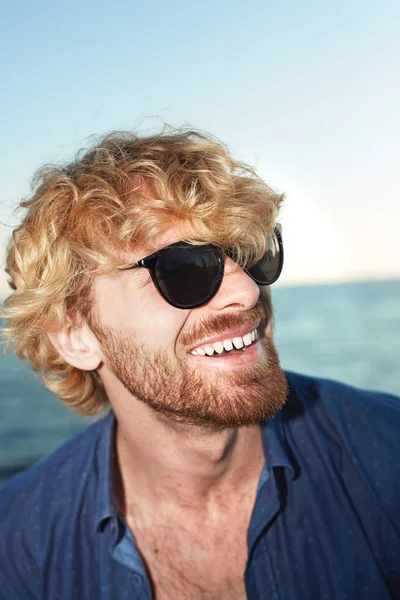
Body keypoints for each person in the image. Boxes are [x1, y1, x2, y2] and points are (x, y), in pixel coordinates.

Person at [0, 129, 399, 600]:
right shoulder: (19, 545)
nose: (248, 291)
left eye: (252, 253)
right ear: (76, 336)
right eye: (184, 269)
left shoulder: (385, 450)